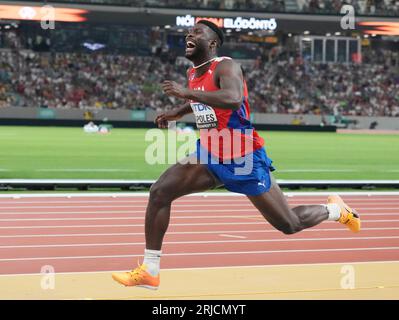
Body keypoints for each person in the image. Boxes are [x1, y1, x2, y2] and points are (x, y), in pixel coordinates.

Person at [111, 21, 361, 290]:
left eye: (197, 32)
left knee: (289, 224)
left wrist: (186, 93)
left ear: (213, 43)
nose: (189, 34)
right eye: (189, 31)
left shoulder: (226, 66)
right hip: (209, 152)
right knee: (160, 192)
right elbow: (202, 99)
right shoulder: (193, 72)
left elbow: (232, 98)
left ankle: (336, 210)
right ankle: (150, 270)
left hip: (242, 157)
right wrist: (179, 112)